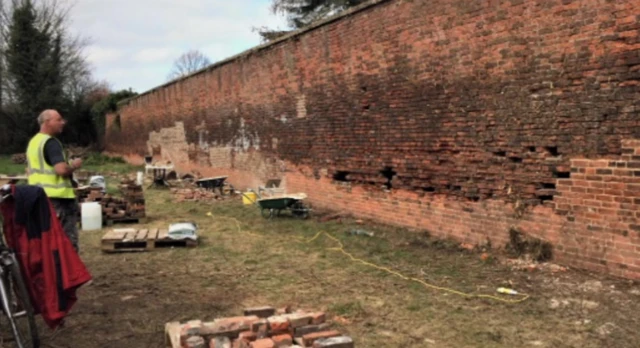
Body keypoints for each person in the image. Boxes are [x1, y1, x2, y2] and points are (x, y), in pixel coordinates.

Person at [25, 109, 82, 252]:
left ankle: (52, 271)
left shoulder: (34, 142)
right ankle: (68, 272)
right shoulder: (51, 143)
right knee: (66, 239)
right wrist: (74, 166)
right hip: (59, 199)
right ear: (47, 122)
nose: (62, 123)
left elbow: (28, 170)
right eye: (59, 119)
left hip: (38, 197)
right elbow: (61, 170)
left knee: (48, 239)